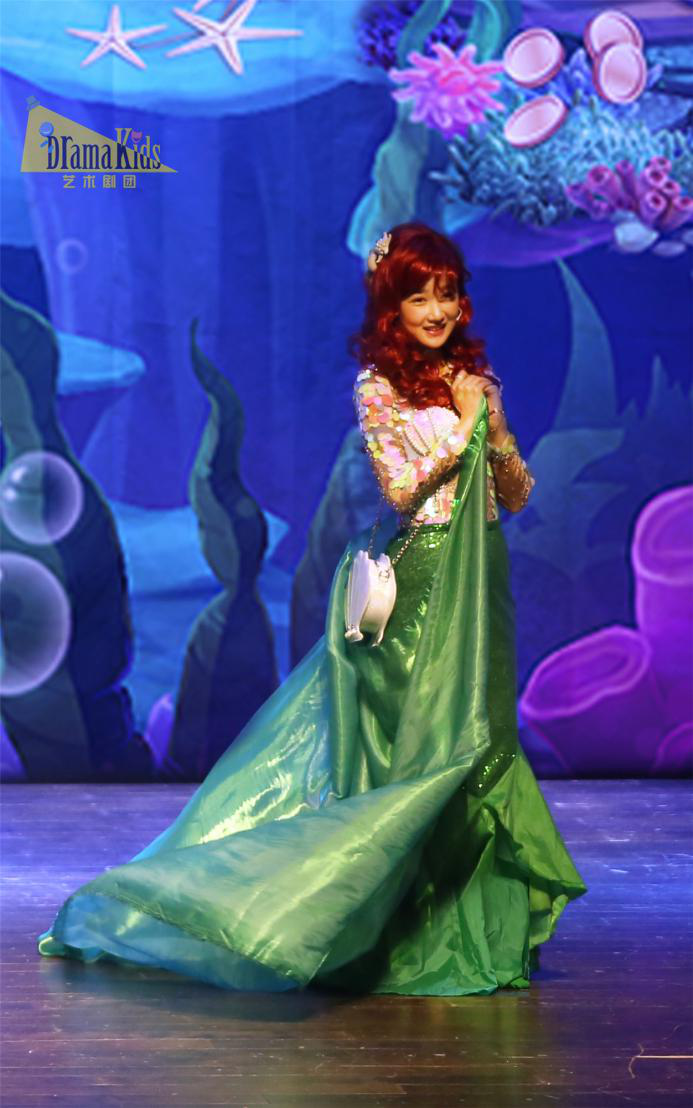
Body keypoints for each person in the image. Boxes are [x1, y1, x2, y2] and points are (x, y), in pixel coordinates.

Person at [38, 222, 587, 997]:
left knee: (485, 744)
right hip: (419, 581)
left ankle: (464, 920)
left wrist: (495, 432)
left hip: (479, 577)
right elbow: (402, 490)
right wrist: (464, 426)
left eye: (446, 294)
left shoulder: (472, 378)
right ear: (392, 308)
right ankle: (373, 924)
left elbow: (514, 496)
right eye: (418, 297)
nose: (436, 310)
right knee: (425, 750)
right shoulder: (379, 388)